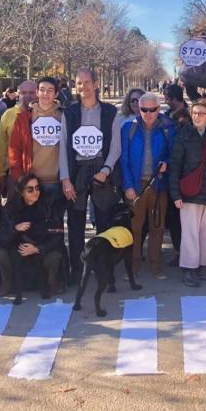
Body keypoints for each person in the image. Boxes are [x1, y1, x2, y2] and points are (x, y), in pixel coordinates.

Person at [60, 69, 122, 282]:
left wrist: (105, 171)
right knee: (75, 224)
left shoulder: (110, 112)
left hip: (101, 171)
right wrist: (65, 179)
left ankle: (104, 269)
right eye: (79, 83)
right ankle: (76, 270)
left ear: (96, 84)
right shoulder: (69, 113)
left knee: (104, 224)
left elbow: (115, 146)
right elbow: (63, 147)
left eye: (87, 82)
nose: (83, 87)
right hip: (77, 172)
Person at [169, 100, 206, 287]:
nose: (197, 116)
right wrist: (176, 195)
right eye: (194, 113)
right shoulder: (183, 135)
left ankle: (203, 266)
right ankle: (189, 268)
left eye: (201, 113)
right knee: (190, 233)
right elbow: (175, 165)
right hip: (189, 192)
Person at [120, 92, 175, 280]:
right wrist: (127, 186)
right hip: (136, 185)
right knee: (134, 228)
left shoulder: (168, 127)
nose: (148, 113)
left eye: (152, 109)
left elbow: (174, 154)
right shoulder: (129, 129)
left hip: (159, 185)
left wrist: (167, 163)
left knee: (157, 227)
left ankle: (155, 266)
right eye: (144, 109)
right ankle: (132, 267)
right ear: (139, 109)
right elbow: (124, 160)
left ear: (159, 109)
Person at [0, 174, 65, 304]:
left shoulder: (49, 205)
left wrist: (38, 249)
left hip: (40, 250)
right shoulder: (11, 208)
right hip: (17, 250)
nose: (35, 192)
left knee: (55, 255)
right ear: (21, 192)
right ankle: (7, 283)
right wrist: (15, 229)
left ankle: (52, 283)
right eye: (30, 189)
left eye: (37, 188)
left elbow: (57, 236)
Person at [9, 77, 65, 196]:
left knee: (56, 215)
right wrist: (20, 178)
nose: (45, 94)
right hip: (33, 182)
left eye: (50, 90)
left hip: (59, 182)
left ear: (56, 94)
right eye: (42, 89)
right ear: (37, 92)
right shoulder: (23, 118)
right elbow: (14, 149)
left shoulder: (65, 116)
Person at [0, 80, 37, 191]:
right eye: (23, 92)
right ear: (18, 94)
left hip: (40, 174)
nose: (27, 96)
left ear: (37, 93)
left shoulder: (44, 115)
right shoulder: (9, 115)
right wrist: (0, 173)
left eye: (31, 92)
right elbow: (1, 147)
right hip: (14, 174)